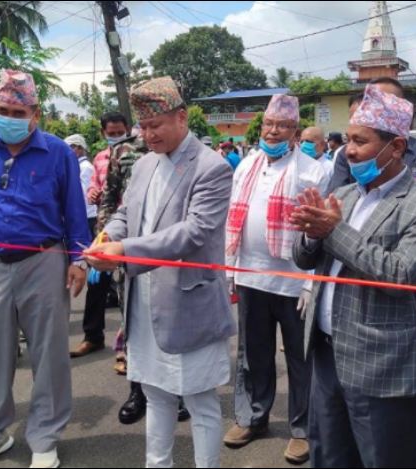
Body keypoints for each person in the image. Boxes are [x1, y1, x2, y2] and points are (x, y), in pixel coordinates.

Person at [290, 84, 416, 467]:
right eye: (347, 139)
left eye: (360, 141)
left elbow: (400, 275)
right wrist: (311, 235)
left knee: (385, 457)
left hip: (381, 363)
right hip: (327, 353)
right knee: (329, 456)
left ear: (395, 148)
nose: (349, 150)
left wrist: (332, 231)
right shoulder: (344, 195)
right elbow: (303, 259)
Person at [85, 76, 235, 468]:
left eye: (156, 126)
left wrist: (124, 251)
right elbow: (125, 213)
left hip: (189, 302)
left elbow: (194, 233)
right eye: (144, 127)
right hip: (144, 301)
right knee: (155, 395)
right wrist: (107, 236)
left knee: (201, 400)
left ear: (181, 118)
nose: (148, 135)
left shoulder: (211, 167)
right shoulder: (145, 163)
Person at [0, 70, 89, 469]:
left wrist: (79, 259)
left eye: (17, 111)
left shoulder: (58, 152)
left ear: (35, 113)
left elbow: (74, 210)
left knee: (49, 353)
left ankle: (44, 437)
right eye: (2, 109)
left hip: (44, 261)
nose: (8, 116)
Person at [223, 95, 328, 464]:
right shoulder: (246, 165)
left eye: (282, 125)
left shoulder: (313, 170)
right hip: (252, 277)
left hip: (294, 282)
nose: (273, 130)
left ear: (295, 131)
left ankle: (302, 429)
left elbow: (319, 233)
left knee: (301, 359)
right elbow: (233, 220)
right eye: (268, 123)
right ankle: (253, 417)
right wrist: (232, 270)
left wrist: (310, 282)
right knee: (253, 355)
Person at [332, 77, 416, 347]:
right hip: (353, 273)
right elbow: (335, 210)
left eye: (382, 101)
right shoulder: (350, 157)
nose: (373, 107)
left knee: (409, 341)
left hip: (406, 270)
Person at [70, 113, 130, 359]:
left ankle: (128, 345)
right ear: (104, 133)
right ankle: (92, 336)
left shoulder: (138, 154)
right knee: (97, 286)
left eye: (120, 132)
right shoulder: (100, 158)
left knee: (128, 287)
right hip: (104, 227)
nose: (116, 137)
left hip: (130, 227)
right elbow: (94, 186)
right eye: (111, 133)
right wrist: (94, 192)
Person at [65, 134, 98, 235]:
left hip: (88, 216)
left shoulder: (85, 167)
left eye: (69, 148)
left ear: (79, 148)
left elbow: (83, 194)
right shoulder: (77, 166)